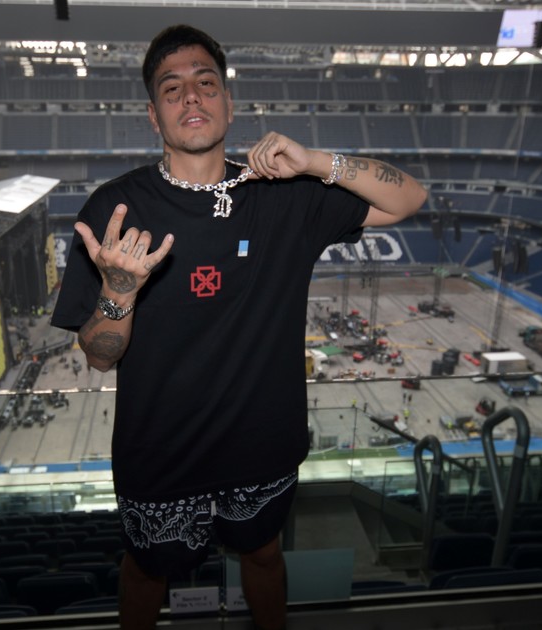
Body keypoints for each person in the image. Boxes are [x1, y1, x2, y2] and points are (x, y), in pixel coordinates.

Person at [51, 24, 425, 630]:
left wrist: (315, 162)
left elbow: (409, 198)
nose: (191, 97)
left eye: (206, 83)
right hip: (161, 453)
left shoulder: (284, 194)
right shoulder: (114, 211)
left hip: (263, 446)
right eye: (171, 88)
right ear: (153, 115)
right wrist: (119, 291)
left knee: (264, 554)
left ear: (228, 102)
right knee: (146, 570)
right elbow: (97, 355)